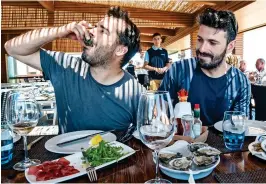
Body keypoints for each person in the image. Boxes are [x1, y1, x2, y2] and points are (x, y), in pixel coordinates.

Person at [5, 6, 145, 134]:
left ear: (120, 50)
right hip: (65, 161)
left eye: (103, 31)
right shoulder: (66, 66)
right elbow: (12, 48)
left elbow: (151, 132)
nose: (91, 32)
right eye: (95, 27)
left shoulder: (134, 92)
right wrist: (59, 31)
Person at [159, 8, 251, 126]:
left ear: (230, 46)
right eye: (200, 40)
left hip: (222, 144)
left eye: (212, 43)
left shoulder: (240, 81)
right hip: (181, 142)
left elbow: (239, 127)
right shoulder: (179, 69)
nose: (202, 49)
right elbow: (160, 110)